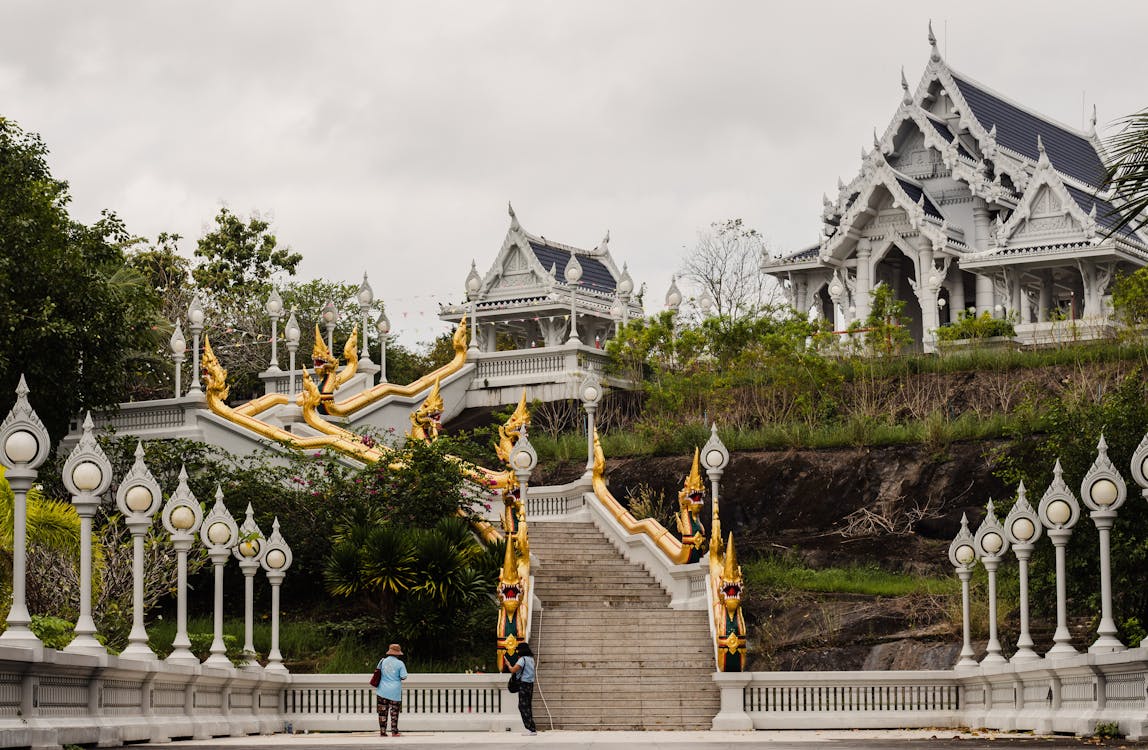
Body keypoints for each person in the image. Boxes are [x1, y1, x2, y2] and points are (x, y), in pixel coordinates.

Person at [375, 643, 408, 737]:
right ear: (398, 653)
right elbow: (403, 676)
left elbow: (378, 672)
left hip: (382, 690)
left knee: (382, 712)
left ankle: (382, 732)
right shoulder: (400, 663)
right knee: (394, 712)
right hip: (394, 691)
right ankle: (394, 731)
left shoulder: (382, 661)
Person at [507, 641, 537, 735]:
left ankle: (530, 728)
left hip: (523, 684)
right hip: (530, 684)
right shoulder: (531, 659)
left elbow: (513, 670)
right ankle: (532, 728)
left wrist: (508, 664)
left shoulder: (522, 660)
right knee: (527, 705)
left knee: (522, 706)